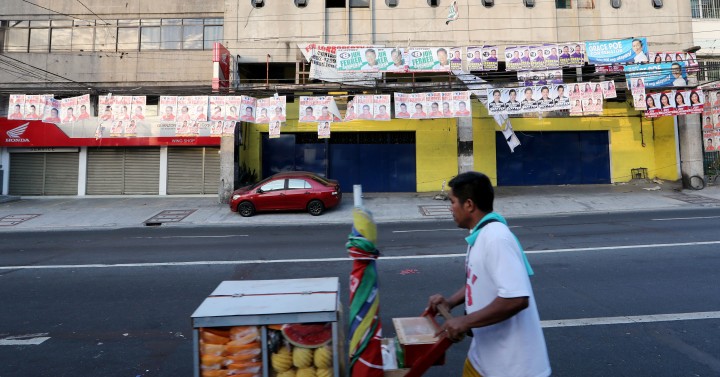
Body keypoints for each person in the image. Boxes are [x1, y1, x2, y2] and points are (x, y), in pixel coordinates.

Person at [427, 172, 551, 377]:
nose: (450, 208)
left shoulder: (496, 238)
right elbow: (476, 281)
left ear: (469, 205)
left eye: (452, 202)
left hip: (513, 367)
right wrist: (449, 302)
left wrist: (464, 322)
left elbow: (516, 298)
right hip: (483, 359)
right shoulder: (480, 234)